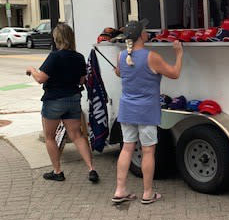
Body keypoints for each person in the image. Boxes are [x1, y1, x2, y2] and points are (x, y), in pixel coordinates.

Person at [113, 19, 183, 205]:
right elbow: (175, 73)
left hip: (127, 109)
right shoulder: (152, 56)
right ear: (140, 36)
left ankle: (120, 190)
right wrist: (179, 53)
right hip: (146, 111)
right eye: (145, 30)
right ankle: (147, 192)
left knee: (127, 148)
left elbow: (119, 72)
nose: (147, 32)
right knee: (148, 151)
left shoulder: (121, 56)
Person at [26, 22, 99, 183]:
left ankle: (57, 171)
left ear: (57, 38)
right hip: (73, 99)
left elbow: (40, 79)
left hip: (54, 100)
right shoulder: (78, 57)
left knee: (50, 136)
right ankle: (91, 169)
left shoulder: (55, 56)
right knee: (77, 135)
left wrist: (31, 69)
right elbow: (81, 80)